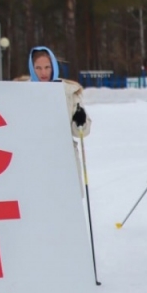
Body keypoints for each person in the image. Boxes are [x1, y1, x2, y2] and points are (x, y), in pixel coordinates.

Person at [28, 46, 91, 197]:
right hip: (36, 157)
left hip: (64, 155)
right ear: (32, 68)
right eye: (38, 68)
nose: (43, 73)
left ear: (53, 67)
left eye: (47, 67)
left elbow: (82, 132)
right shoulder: (23, 92)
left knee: (66, 200)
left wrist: (79, 121)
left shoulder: (69, 92)